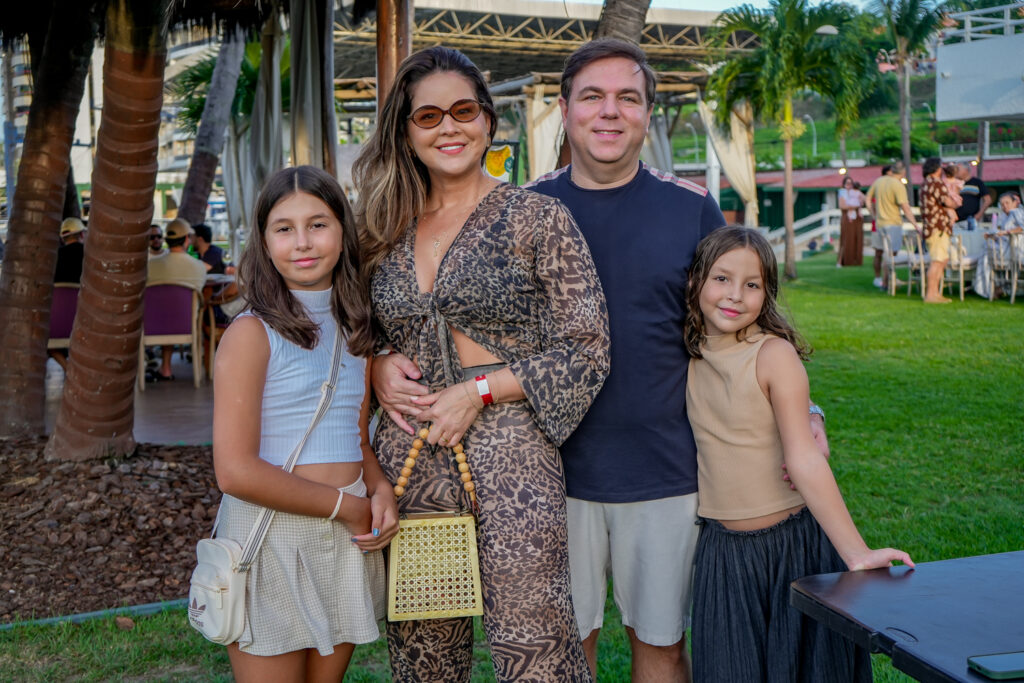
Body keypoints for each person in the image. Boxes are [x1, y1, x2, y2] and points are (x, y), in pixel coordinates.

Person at [375, 39, 823, 683]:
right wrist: (380, 361)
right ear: (564, 109)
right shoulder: (522, 208)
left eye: (627, 98)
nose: (609, 113)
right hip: (553, 468)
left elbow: (741, 319)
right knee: (561, 645)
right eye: (592, 97)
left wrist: (802, 406)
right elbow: (413, 312)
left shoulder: (687, 205)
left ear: (647, 112)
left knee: (661, 644)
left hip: (664, 466)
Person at [354, 46, 609, 682]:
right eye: (428, 116)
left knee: (536, 649)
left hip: (512, 458)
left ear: (489, 121)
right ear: (406, 132)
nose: (449, 127)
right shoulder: (383, 226)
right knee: (424, 656)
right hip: (412, 457)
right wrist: (379, 361)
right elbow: (351, 331)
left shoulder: (536, 217)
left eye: (463, 110)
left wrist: (480, 391)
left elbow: (588, 345)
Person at [684, 226, 915, 682]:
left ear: (767, 293)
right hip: (722, 556)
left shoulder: (773, 355)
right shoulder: (686, 353)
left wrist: (857, 554)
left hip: (793, 548)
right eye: (721, 278)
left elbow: (805, 458)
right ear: (695, 282)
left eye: (752, 285)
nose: (734, 295)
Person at [211, 165, 398, 682]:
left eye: (318, 224)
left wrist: (379, 489)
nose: (302, 242)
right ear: (264, 241)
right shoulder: (251, 333)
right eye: (284, 228)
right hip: (271, 538)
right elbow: (235, 472)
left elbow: (354, 436)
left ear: (342, 230)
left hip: (344, 542)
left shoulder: (355, 326)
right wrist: (350, 507)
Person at [146, 218, 208, 380]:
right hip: (186, 325)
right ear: (187, 239)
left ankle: (165, 368)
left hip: (153, 326)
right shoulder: (199, 267)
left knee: (166, 310)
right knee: (176, 311)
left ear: (166, 240)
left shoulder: (150, 266)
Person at [865, 161, 918, 290]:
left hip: (879, 224)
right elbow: (905, 208)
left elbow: (867, 199)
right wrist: (916, 225)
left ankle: (884, 280)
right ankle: (886, 283)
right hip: (893, 224)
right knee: (891, 256)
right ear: (903, 172)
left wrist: (873, 214)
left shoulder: (879, 181)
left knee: (880, 253)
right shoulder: (898, 185)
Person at [975, 191, 1024, 299]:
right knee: (986, 250)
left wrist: (1006, 232)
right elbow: (1000, 230)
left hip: (1016, 249)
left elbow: (1022, 227)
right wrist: (993, 234)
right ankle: (995, 287)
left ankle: (991, 288)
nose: (1004, 206)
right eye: (1002, 204)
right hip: (1007, 248)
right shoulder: (1003, 216)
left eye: (1007, 203)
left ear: (1015, 202)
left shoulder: (1017, 212)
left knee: (986, 254)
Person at [921, 156, 956, 304]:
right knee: (937, 261)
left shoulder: (925, 184)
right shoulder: (936, 183)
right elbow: (948, 202)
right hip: (938, 227)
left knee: (942, 259)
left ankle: (935, 293)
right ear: (937, 168)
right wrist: (954, 203)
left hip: (931, 226)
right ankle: (931, 295)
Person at [954, 163, 992, 231]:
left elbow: (988, 200)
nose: (956, 171)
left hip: (970, 220)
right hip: (955, 220)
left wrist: (979, 214)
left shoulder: (977, 182)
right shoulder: (954, 183)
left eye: (958, 169)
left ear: (966, 170)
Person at [837, 176, 864, 267]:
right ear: (844, 184)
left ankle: (855, 260)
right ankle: (841, 261)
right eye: (847, 183)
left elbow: (862, 199)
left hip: (857, 218)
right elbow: (842, 206)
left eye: (850, 183)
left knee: (856, 238)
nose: (849, 185)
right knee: (846, 239)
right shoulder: (843, 193)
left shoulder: (855, 193)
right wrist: (854, 207)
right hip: (847, 218)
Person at [54, 217, 87, 284]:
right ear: (81, 235)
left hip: (57, 293)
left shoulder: (54, 254)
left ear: (63, 238)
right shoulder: (87, 253)